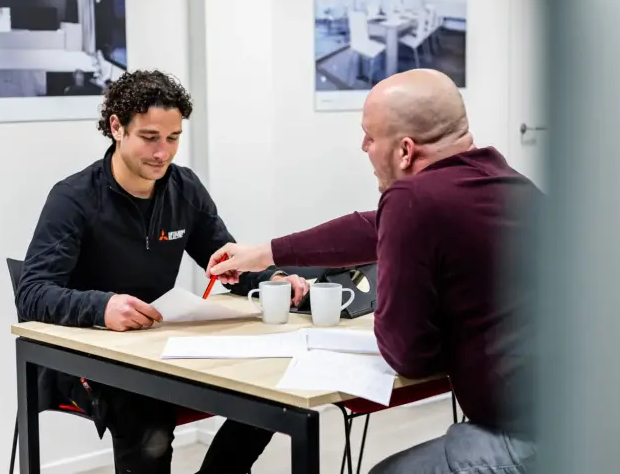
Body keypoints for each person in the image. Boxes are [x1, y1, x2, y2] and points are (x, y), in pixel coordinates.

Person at [206, 69, 540, 473]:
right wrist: (265, 253)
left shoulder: (413, 199)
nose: (363, 145)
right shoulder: (504, 182)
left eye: (369, 135)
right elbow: (372, 226)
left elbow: (408, 355)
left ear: (405, 150)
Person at [16, 69, 309, 474]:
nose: (162, 153)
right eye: (150, 138)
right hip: (84, 356)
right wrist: (102, 308)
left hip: (153, 348)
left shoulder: (184, 189)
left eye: (173, 139)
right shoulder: (73, 198)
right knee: (144, 407)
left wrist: (271, 280)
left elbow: (225, 262)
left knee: (273, 389)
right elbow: (32, 293)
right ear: (116, 128)